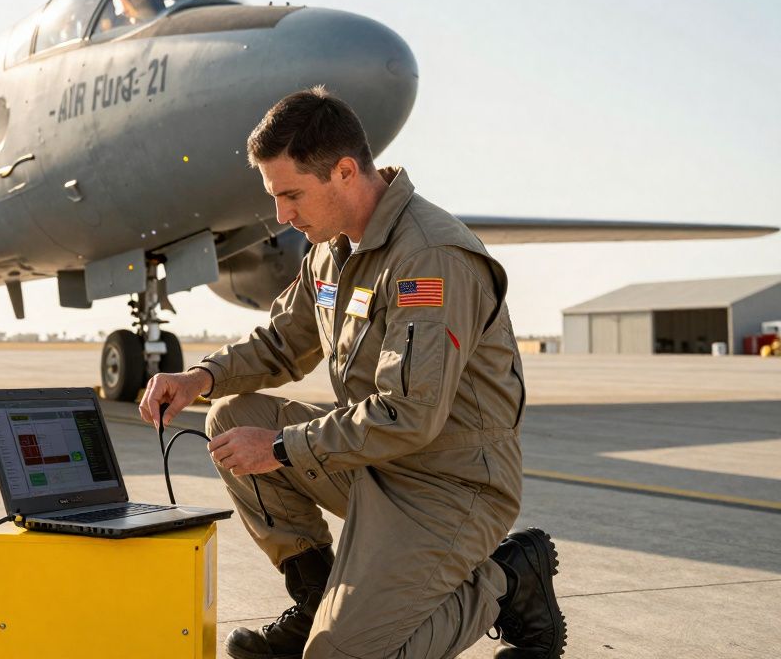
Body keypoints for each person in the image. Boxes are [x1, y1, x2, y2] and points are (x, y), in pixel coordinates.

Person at [139, 87, 566, 659]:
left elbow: (409, 413)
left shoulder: (428, 258)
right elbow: (282, 341)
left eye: (291, 195)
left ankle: (507, 581)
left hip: (449, 484)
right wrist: (200, 377)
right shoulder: (331, 247)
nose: (281, 216)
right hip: (376, 461)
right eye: (274, 197)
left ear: (344, 171)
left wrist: (283, 448)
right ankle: (318, 600)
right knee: (231, 419)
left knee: (337, 658)